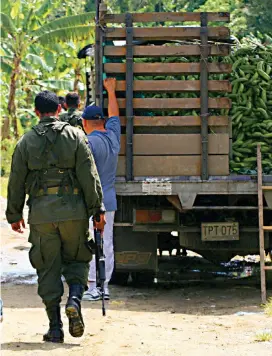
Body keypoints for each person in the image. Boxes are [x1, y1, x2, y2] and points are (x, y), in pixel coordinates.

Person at [6, 90, 105, 343]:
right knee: (78, 259)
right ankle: (74, 300)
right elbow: (89, 175)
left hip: (41, 214)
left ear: (37, 112)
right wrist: (97, 210)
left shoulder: (25, 141)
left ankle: (55, 328)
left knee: (47, 268)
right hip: (74, 212)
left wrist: (14, 214)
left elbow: (16, 181)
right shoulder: (76, 136)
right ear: (59, 110)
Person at [81, 78, 120, 301]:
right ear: (102, 121)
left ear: (85, 123)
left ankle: (93, 286)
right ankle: (104, 287)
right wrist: (111, 91)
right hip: (110, 200)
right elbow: (115, 115)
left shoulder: (86, 144)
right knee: (107, 243)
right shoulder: (113, 137)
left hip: (92, 202)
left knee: (91, 243)